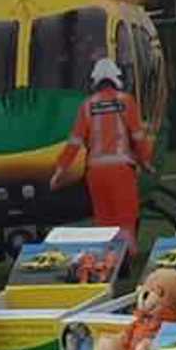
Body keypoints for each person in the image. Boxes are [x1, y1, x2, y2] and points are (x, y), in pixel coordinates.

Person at [52, 57, 149, 232]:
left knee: (104, 222)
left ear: (95, 81)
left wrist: (59, 171)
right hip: (122, 171)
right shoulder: (126, 101)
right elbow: (138, 137)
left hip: (95, 174)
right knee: (126, 218)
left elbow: (74, 142)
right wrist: (146, 162)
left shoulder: (87, 105)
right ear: (116, 78)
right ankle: (126, 255)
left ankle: (107, 257)